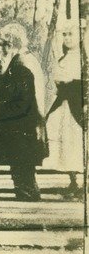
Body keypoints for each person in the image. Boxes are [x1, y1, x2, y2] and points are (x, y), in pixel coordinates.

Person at [0, 23, 47, 201]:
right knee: (25, 178)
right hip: (24, 129)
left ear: (9, 45)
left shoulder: (21, 65)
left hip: (21, 130)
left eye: (1, 43)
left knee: (23, 182)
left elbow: (21, 103)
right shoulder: (23, 61)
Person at [45, 21, 83, 193]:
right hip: (65, 105)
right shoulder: (63, 58)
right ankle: (73, 180)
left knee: (78, 141)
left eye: (71, 34)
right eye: (65, 35)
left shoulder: (84, 58)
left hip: (78, 105)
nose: (67, 38)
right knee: (65, 142)